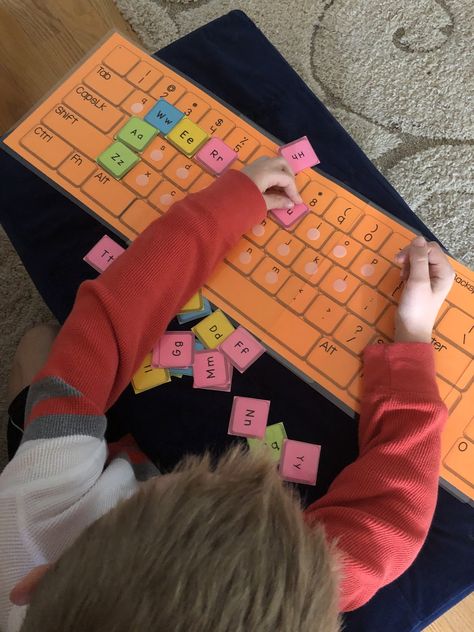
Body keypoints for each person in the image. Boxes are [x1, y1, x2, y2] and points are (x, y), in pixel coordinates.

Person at [0, 156, 455, 632]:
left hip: (63, 485)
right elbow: (392, 516)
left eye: (180, 486)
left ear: (34, 582)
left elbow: (106, 323)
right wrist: (413, 336)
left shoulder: (30, 520)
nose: (209, 466)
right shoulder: (281, 588)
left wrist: (220, 211)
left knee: (39, 348)